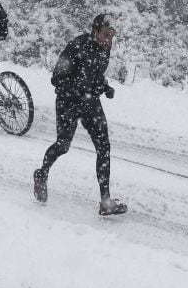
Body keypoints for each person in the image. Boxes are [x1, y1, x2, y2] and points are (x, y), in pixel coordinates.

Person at [33, 13, 127, 216]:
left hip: (91, 102)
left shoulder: (105, 48)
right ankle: (41, 174)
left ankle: (105, 201)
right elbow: (56, 78)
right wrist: (78, 92)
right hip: (68, 102)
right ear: (95, 31)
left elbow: (95, 72)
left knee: (104, 147)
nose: (108, 39)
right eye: (104, 34)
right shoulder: (77, 46)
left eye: (111, 35)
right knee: (63, 145)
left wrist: (104, 86)